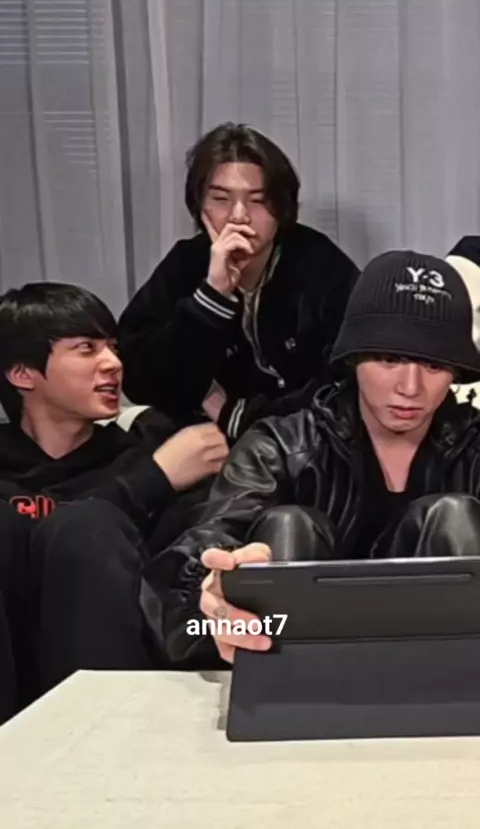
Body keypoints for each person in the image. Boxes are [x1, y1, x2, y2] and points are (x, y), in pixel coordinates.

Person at [141, 249, 480, 666]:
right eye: (389, 359)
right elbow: (198, 559)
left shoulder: (475, 449)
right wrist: (210, 604)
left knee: (454, 518)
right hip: (296, 666)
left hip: (443, 675)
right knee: (289, 527)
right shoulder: (281, 446)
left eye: (433, 365)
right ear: (354, 358)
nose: (410, 387)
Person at [0, 282, 228, 722]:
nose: (113, 364)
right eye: (86, 348)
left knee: (89, 529)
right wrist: (148, 483)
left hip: (112, 689)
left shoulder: (148, 453)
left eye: (113, 348)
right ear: (23, 374)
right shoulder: (156, 471)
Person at [118, 122, 359, 443]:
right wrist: (212, 295)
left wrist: (239, 418)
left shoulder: (319, 263)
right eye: (221, 199)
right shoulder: (186, 263)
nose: (239, 216)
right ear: (199, 205)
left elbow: (350, 377)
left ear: (282, 207)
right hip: (208, 441)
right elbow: (140, 378)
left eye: (258, 200)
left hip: (305, 440)